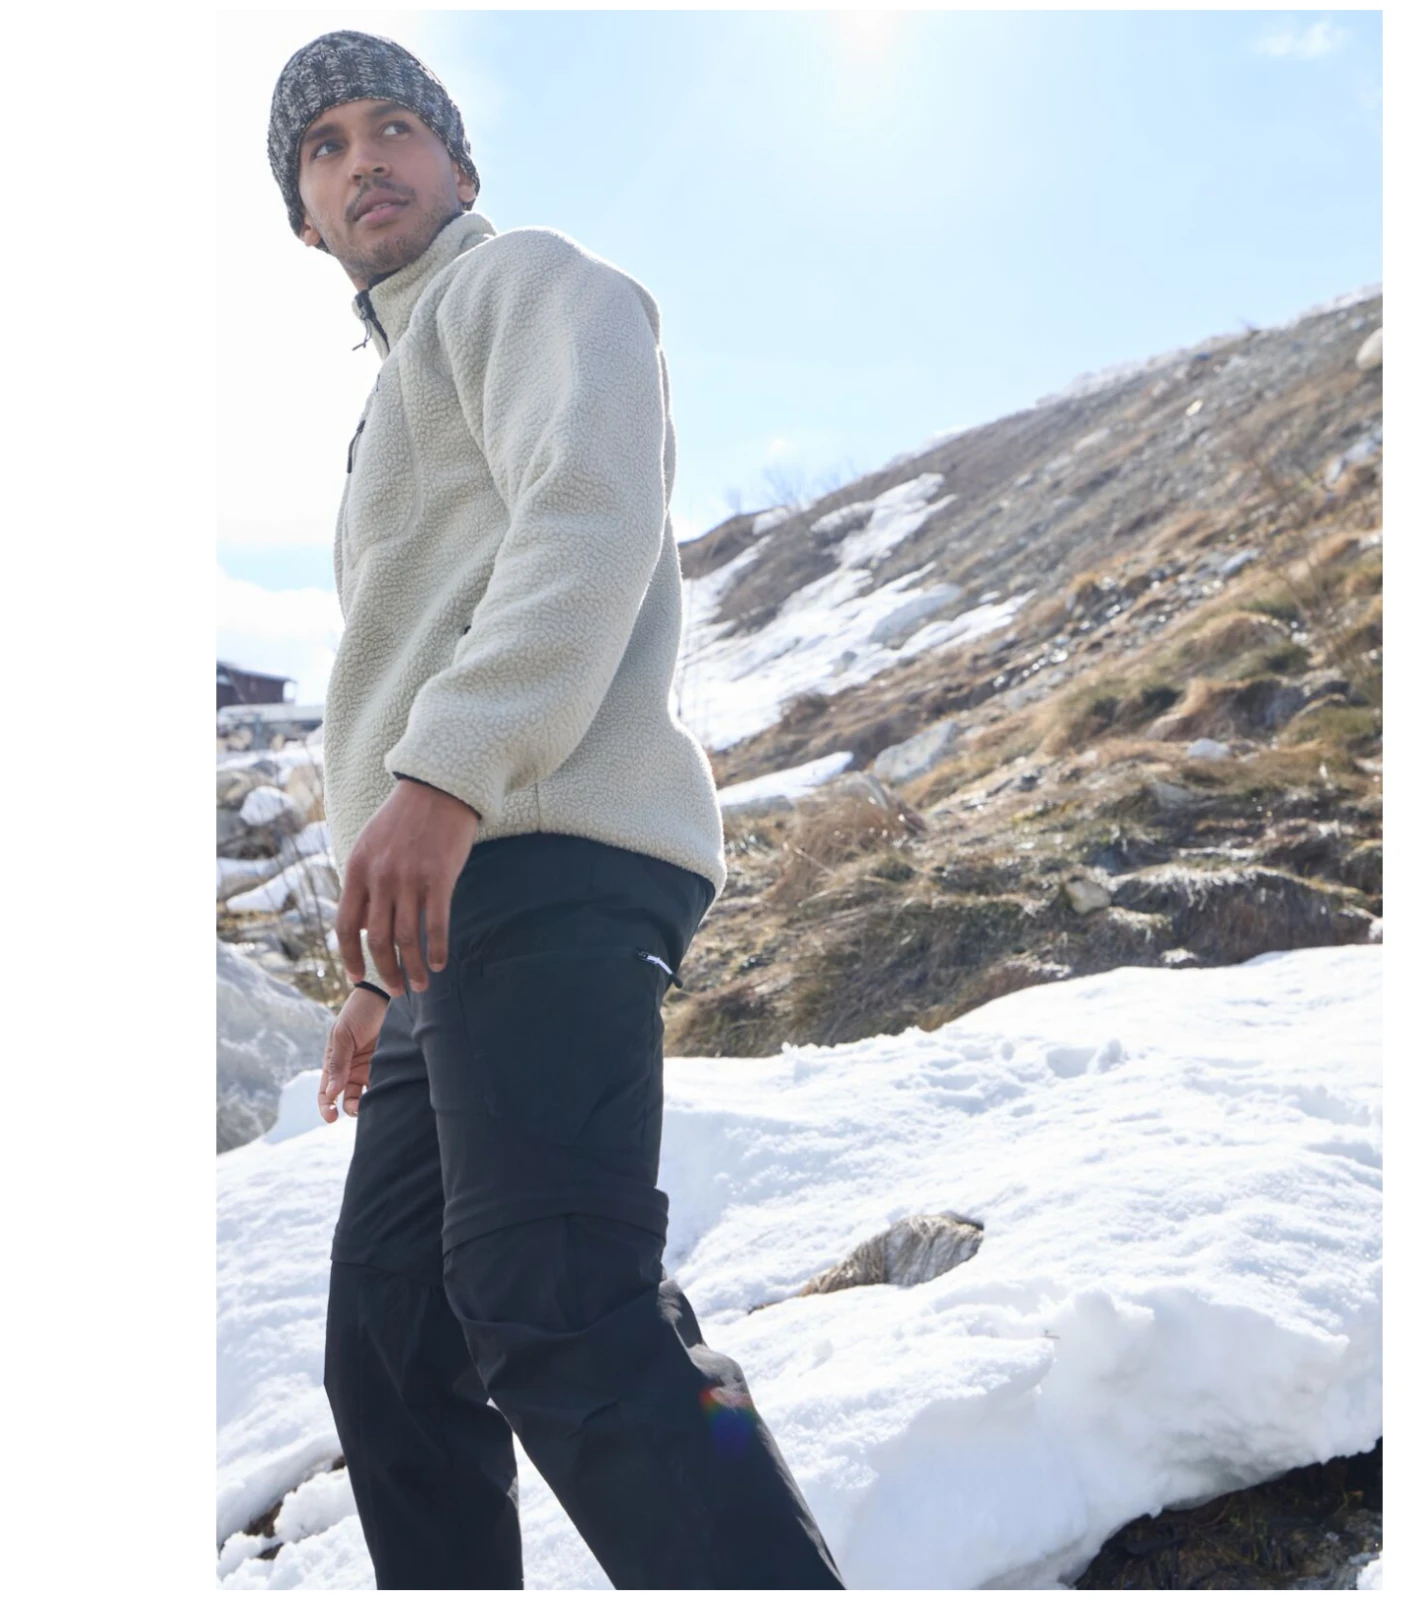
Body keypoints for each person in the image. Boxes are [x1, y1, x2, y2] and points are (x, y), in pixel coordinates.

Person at [266, 30, 845, 1590]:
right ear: (302, 219)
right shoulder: (395, 393)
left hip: (547, 848)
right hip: (451, 903)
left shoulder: (528, 283)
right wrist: (375, 982)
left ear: (460, 164)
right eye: (324, 148)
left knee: (562, 1307)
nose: (363, 160)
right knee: (392, 1361)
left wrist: (447, 778)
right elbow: (421, 643)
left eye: (394, 127)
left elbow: (587, 519)